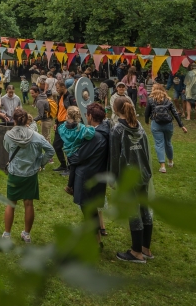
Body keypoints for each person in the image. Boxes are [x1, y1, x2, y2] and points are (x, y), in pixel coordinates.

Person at [110, 95, 154, 264]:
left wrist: (113, 178)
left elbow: (115, 156)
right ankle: (146, 248)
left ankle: (136, 252)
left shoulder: (117, 130)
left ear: (115, 109)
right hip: (143, 173)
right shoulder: (138, 125)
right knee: (145, 208)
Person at [1, 108, 55, 244]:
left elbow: (7, 148)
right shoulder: (36, 135)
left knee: (10, 203)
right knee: (28, 204)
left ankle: (7, 234)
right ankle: (26, 234)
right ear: (26, 120)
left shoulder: (8, 135)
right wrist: (40, 162)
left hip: (14, 173)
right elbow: (50, 150)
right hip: (31, 173)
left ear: (14, 120)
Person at [67, 102, 111, 249]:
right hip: (97, 174)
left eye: (86, 114)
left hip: (88, 176)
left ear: (90, 116)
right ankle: (96, 240)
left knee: (88, 210)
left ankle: (95, 243)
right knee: (91, 210)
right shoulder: (105, 131)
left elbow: (79, 156)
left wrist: (70, 155)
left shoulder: (96, 136)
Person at [144, 83, 187, 173]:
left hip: (156, 124)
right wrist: (182, 125)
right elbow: (175, 113)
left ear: (154, 89)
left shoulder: (151, 100)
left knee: (159, 144)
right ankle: (170, 162)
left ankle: (162, 166)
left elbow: (146, 112)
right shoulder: (168, 100)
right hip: (168, 124)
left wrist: (147, 121)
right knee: (168, 143)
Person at [59, 106, 96, 196]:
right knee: (74, 169)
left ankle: (72, 187)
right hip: (77, 152)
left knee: (72, 168)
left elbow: (60, 131)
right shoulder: (81, 128)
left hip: (68, 152)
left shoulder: (62, 128)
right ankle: (71, 187)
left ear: (67, 116)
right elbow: (90, 134)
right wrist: (90, 127)